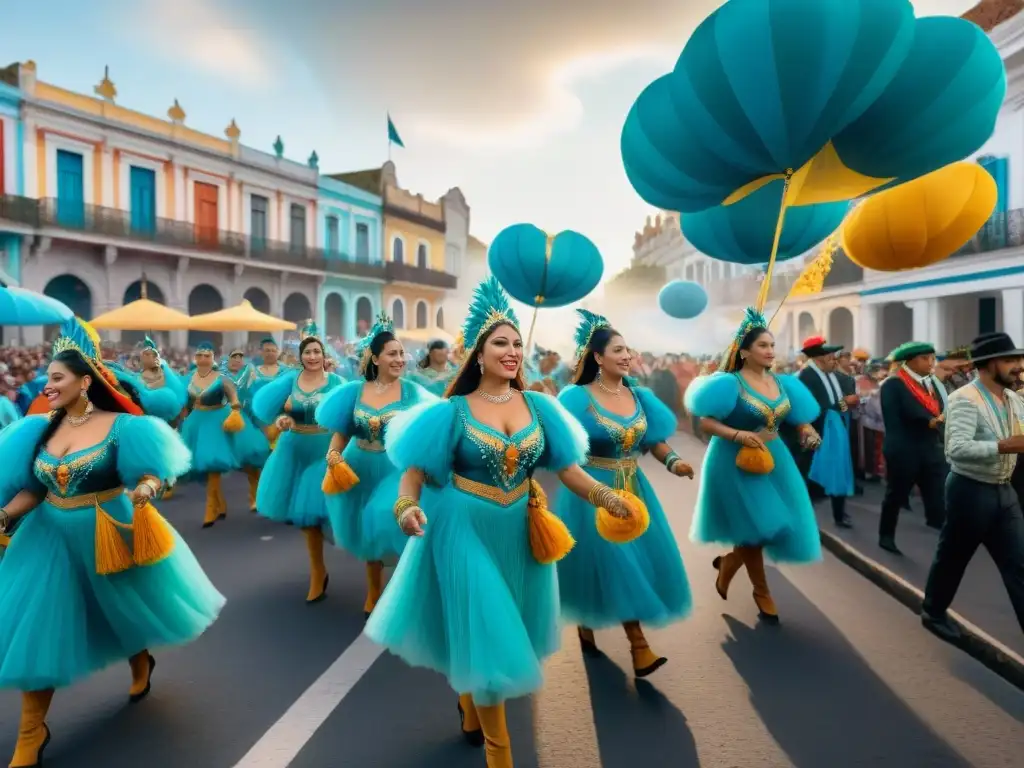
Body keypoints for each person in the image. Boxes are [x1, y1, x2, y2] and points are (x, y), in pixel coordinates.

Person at [364, 277, 639, 768]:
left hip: (520, 532)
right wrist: (405, 509)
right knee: (488, 633)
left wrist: (605, 496)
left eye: (517, 343)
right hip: (460, 530)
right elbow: (413, 475)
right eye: (500, 343)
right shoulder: (450, 411)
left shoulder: (540, 406)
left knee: (497, 632)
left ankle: (470, 704)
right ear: (477, 352)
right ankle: (500, 753)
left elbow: (569, 469)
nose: (512, 351)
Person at [0, 318, 224, 768]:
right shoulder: (38, 429)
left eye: (57, 378)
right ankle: (31, 732)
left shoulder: (124, 427)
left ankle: (139, 659)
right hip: (48, 540)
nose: (48, 385)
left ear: (85, 382)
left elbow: (150, 473)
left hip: (108, 529)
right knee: (39, 629)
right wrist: (5, 514)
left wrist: (145, 488)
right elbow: (34, 488)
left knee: (121, 606)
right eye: (46, 378)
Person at [555, 309, 693, 676]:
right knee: (617, 562)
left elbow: (654, 441)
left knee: (636, 561)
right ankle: (639, 645)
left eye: (628, 349)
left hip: (635, 488)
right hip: (593, 491)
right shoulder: (576, 398)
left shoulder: (640, 395)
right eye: (618, 350)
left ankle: (588, 621)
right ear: (598, 358)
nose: (627, 355)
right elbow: (563, 450)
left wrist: (674, 461)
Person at [685, 307, 822, 624]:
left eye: (772, 345)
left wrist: (808, 433)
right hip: (733, 460)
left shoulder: (785, 383)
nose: (770, 351)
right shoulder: (728, 384)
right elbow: (705, 422)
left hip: (775, 459)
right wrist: (739, 434)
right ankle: (762, 591)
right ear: (744, 351)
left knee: (767, 525)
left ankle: (730, 563)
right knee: (756, 528)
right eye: (762, 345)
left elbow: (800, 421)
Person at [315, 313, 433, 617]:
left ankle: (410, 589)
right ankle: (374, 589)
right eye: (392, 354)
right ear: (376, 358)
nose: (399, 359)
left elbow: (431, 431)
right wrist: (333, 455)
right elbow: (343, 431)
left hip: (397, 469)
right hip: (359, 466)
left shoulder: (414, 393)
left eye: (401, 354)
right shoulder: (355, 392)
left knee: (384, 516)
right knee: (366, 531)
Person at [921, 332, 1024, 642]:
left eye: (1019, 360)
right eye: (1010, 361)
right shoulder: (964, 399)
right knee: (954, 557)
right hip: (970, 491)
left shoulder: (1014, 398)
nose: (1019, 366)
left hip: (1004, 492)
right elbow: (956, 450)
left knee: (1019, 566)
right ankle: (933, 611)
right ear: (989, 365)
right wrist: (1005, 446)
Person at [252, 323, 345, 603]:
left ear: (323, 354)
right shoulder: (289, 381)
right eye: (308, 352)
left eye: (317, 351)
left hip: (325, 450)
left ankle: (369, 567)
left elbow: (346, 417)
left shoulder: (337, 383)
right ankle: (318, 569)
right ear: (300, 356)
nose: (313, 357)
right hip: (294, 451)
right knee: (307, 515)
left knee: (334, 509)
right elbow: (275, 411)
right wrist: (283, 420)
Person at [878, 341, 949, 555]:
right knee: (896, 495)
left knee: (938, 493)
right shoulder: (893, 384)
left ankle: (938, 525)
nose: (931, 363)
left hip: (930, 449)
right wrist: (931, 420)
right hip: (904, 450)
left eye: (932, 358)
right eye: (926, 358)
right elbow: (906, 413)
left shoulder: (932, 383)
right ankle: (886, 535)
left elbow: (941, 407)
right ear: (911, 361)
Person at [178, 342, 246, 527]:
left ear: (213, 358)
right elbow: (184, 404)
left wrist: (235, 411)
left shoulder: (222, 378)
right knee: (204, 465)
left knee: (212, 461)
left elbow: (234, 399)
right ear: (195, 358)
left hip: (217, 421)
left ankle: (210, 507)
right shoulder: (188, 378)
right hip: (195, 423)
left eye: (206, 356)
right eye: (199, 356)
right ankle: (220, 503)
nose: (202, 359)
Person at [792, 336, 856, 528]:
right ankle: (804, 520)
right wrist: (845, 403)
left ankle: (839, 514)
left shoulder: (833, 375)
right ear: (819, 360)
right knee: (810, 477)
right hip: (816, 434)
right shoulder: (806, 376)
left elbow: (837, 403)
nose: (835, 361)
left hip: (836, 432)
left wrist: (845, 404)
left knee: (839, 472)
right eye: (831, 358)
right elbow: (814, 407)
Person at [223, 347, 271, 511]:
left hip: (247, 423)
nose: (237, 360)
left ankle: (255, 495)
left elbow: (256, 397)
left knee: (252, 461)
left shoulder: (250, 376)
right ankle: (216, 504)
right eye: (234, 357)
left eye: (240, 357)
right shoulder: (221, 376)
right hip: (224, 422)